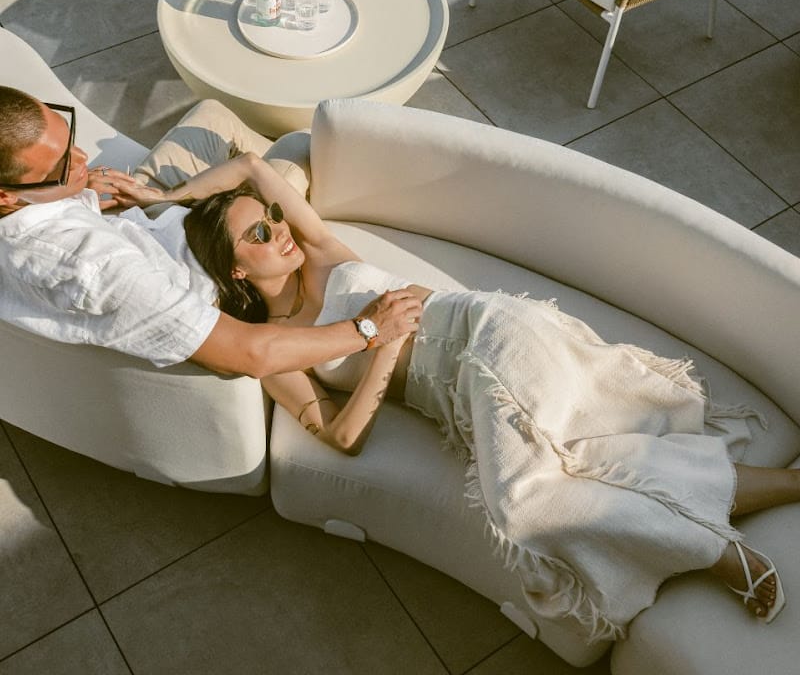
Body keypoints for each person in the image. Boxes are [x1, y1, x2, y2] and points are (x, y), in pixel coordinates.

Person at [154, 150, 797, 643]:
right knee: (586, 463)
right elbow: (343, 438)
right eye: (259, 236)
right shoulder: (274, 346)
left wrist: (170, 197)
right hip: (467, 394)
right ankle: (767, 496)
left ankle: (715, 554)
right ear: (236, 269)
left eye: (270, 218)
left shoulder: (321, 252)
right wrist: (378, 345)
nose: (279, 231)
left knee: (522, 502)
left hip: (492, 331)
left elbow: (247, 164)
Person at [0, 86, 422, 379]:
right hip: (212, 250)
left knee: (212, 114)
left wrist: (80, 190)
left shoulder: (31, 206)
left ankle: (225, 187)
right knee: (293, 151)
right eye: (61, 166)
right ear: (6, 196)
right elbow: (248, 354)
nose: (84, 156)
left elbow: (63, 209)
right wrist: (367, 330)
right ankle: (252, 189)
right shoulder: (100, 269)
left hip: (152, 223)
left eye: (68, 135)